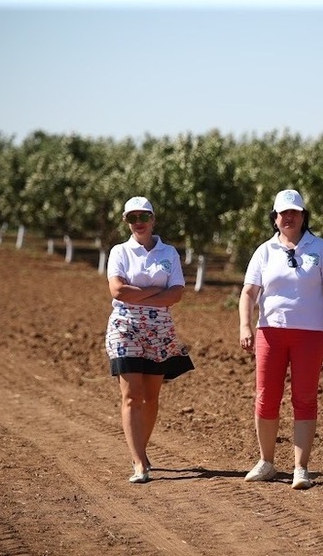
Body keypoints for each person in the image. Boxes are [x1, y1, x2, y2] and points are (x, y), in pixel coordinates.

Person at [238, 189, 323, 490]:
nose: (289, 217)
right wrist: (245, 326)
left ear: (304, 216)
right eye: (283, 213)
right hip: (271, 332)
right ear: (275, 218)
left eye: (295, 212)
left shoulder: (320, 249)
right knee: (266, 397)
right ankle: (266, 462)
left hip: (311, 334)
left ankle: (300, 468)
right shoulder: (264, 251)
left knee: (304, 398)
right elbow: (249, 293)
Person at [105, 196, 194, 484]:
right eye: (132, 218)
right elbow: (117, 291)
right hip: (125, 327)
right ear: (126, 222)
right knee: (131, 396)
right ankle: (140, 462)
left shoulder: (169, 253)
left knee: (151, 397)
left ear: (153, 219)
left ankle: (139, 451)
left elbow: (177, 294)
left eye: (143, 216)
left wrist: (139, 294)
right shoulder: (119, 252)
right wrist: (157, 295)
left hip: (159, 331)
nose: (138, 222)